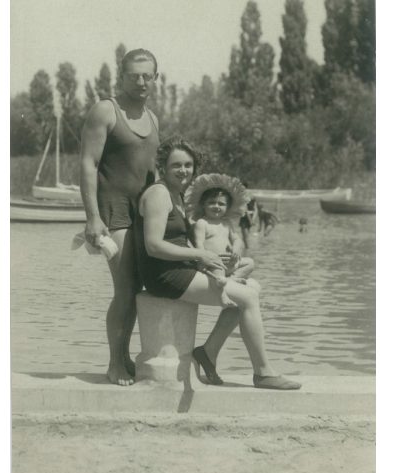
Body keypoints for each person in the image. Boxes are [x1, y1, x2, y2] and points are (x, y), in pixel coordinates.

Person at [134, 136, 301, 390]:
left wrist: (218, 254)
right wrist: (200, 255)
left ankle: (208, 352)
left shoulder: (176, 195)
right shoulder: (158, 194)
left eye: (188, 165)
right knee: (247, 298)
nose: (183, 171)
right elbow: (153, 246)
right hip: (164, 273)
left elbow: (183, 239)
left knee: (252, 287)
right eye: (176, 165)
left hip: (180, 267)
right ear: (163, 167)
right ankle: (263, 372)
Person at [80, 48, 160, 386]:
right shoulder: (105, 110)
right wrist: (92, 217)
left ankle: (125, 356)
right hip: (113, 213)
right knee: (125, 288)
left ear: (155, 78)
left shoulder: (153, 118)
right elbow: (87, 163)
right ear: (121, 76)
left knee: (138, 287)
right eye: (133, 75)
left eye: (146, 75)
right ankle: (115, 363)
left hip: (141, 214)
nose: (140, 82)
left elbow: (151, 173)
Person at [185, 174, 259, 305]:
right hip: (212, 264)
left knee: (250, 263)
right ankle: (223, 295)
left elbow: (237, 239)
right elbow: (199, 244)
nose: (216, 206)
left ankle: (233, 279)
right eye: (211, 202)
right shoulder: (202, 223)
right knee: (218, 271)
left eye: (221, 203)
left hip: (229, 264)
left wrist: (236, 248)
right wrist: (203, 260)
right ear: (203, 205)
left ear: (228, 207)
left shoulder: (226, 223)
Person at [238, 182, 257, 249]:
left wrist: (250, 220)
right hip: (251, 215)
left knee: (245, 237)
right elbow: (256, 209)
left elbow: (245, 209)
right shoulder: (252, 195)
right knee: (246, 236)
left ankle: (247, 251)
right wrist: (253, 219)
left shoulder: (242, 196)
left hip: (245, 216)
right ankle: (247, 250)